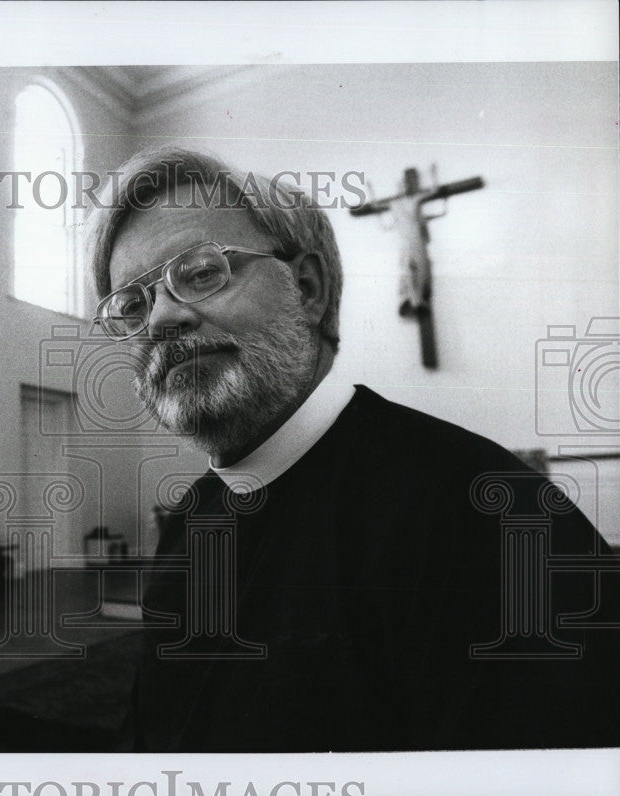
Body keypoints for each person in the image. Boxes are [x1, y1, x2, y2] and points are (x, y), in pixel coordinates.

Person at [87, 146, 619, 752]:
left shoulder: (497, 514)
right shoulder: (191, 521)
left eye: (202, 273)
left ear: (307, 288)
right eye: (131, 305)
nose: (160, 320)